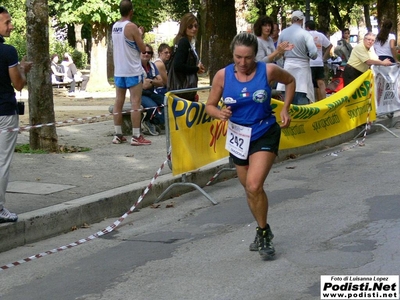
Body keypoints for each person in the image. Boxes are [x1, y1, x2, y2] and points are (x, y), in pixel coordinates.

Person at [205, 32, 295, 260]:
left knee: (254, 185)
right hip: (238, 137)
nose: (243, 63)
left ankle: (264, 234)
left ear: (256, 55)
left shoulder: (268, 70)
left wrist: (285, 108)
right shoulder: (222, 76)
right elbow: (209, 106)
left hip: (264, 131)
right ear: (232, 54)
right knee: (249, 188)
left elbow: (290, 80)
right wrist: (219, 113)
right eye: (238, 57)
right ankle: (262, 228)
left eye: (248, 58)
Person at [0, 6, 32, 223]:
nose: (11, 26)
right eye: (7, 22)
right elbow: (18, 84)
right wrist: (22, 69)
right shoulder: (8, 51)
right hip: (4, 112)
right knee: (2, 161)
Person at [111, 0, 151, 146]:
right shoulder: (131, 26)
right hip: (132, 70)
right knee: (135, 103)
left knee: (118, 102)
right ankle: (136, 135)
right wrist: (140, 34)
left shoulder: (115, 26)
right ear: (131, 11)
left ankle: (118, 134)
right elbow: (142, 48)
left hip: (119, 70)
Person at [276, 10, 318, 104]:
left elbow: (278, 52)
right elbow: (314, 53)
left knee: (287, 99)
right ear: (302, 20)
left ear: (292, 20)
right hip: (302, 69)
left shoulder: (283, 33)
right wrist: (308, 55)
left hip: (287, 67)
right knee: (301, 98)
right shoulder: (305, 34)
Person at [170, 12, 205, 101]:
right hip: (183, 88)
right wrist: (196, 69)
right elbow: (178, 66)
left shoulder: (186, 42)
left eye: (196, 26)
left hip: (183, 88)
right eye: (190, 26)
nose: (194, 29)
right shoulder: (184, 42)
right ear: (184, 27)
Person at [140, 44, 165, 136]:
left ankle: (153, 121)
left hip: (151, 93)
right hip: (139, 95)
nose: (146, 54)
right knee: (153, 106)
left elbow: (161, 82)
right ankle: (147, 121)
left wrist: (150, 81)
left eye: (149, 52)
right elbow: (143, 86)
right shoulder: (136, 66)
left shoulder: (152, 66)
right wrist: (154, 82)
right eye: (144, 52)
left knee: (165, 102)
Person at [305, 20, 333, 101]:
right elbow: (330, 45)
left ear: (307, 27)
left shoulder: (306, 35)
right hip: (319, 62)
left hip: (309, 63)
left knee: (309, 83)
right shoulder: (320, 35)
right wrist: (323, 57)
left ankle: (311, 101)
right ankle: (323, 100)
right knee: (320, 82)